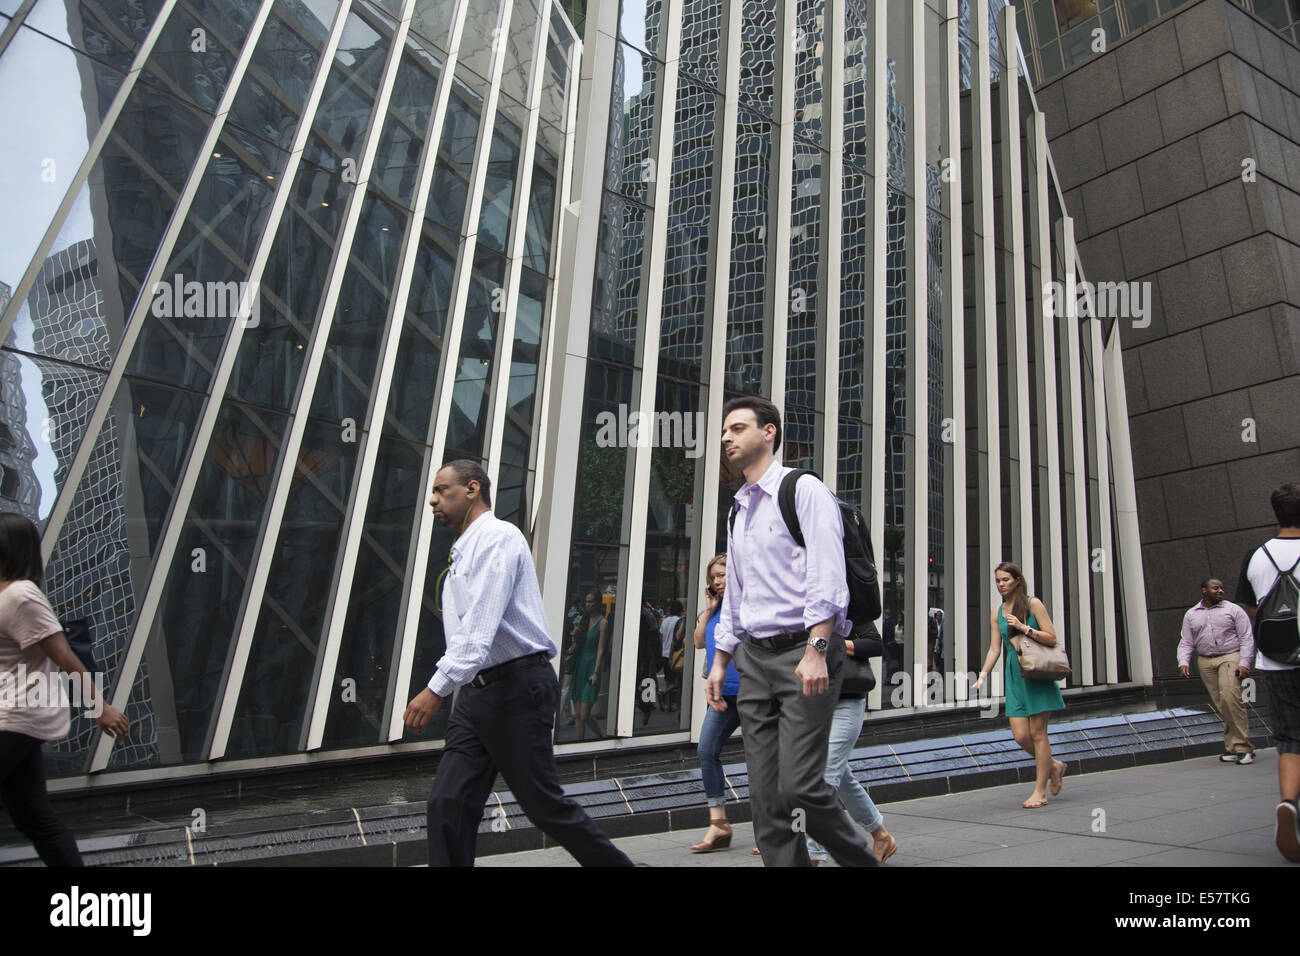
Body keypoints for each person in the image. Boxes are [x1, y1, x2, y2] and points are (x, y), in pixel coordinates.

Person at [404, 460, 633, 867]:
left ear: (473, 489)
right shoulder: (464, 549)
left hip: (517, 687)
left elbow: (479, 628)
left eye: (443, 490)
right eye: (433, 493)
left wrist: (435, 689)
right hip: (477, 693)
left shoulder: (498, 537)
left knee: (543, 806)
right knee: (447, 802)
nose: (433, 500)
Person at [706, 395, 881, 867]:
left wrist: (818, 649)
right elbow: (737, 592)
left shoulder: (803, 490)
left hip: (804, 653)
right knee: (765, 799)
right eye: (724, 430)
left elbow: (829, 577)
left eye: (738, 428)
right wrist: (722, 659)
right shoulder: (737, 507)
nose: (726, 437)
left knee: (801, 788)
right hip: (754, 659)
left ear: (769, 433)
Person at [0, 512, 128, 866]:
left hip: (18, 715)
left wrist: (99, 707)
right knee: (32, 816)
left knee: (34, 817)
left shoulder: (21, 596)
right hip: (10, 714)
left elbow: (64, 656)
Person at [1234, 482, 1300, 863]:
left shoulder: (1256, 556)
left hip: (1276, 663)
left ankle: (1289, 803)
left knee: (1290, 738)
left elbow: (1253, 611)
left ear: (1275, 514)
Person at [973, 561, 1067, 809]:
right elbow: (995, 648)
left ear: (1017, 580)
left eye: (1005, 580)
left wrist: (1024, 628)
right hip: (1014, 674)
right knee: (1020, 735)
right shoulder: (997, 612)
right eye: (998, 581)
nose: (1001, 585)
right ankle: (1054, 766)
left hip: (1036, 671)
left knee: (1038, 734)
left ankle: (1040, 791)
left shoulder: (1033, 604)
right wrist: (983, 675)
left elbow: (1052, 637)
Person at [805, 622, 899, 864]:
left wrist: (828, 644)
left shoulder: (849, 605)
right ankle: (880, 833)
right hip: (814, 703)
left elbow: (873, 644)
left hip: (847, 702)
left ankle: (812, 857)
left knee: (821, 781)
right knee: (842, 777)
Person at [691, 554, 740, 852]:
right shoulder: (714, 609)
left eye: (722, 575)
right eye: (713, 577)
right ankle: (718, 823)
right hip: (722, 696)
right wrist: (708, 611)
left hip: (752, 691)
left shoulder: (747, 604)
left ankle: (773, 828)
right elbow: (698, 642)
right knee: (706, 750)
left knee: (763, 759)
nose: (717, 581)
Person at [1176, 579, 1256, 764]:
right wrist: (1183, 662)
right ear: (1204, 591)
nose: (1220, 591)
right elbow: (1186, 641)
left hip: (1230, 657)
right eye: (1215, 588)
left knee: (1231, 699)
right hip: (1205, 661)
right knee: (1222, 704)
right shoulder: (1191, 614)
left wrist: (1244, 663)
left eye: (1221, 588)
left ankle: (1244, 748)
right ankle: (1232, 748)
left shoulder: (1233, 610)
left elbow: (1246, 638)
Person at [567, 593, 608, 742]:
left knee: (584, 714)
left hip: (591, 665)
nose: (588, 604)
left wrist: (596, 672)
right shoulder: (583, 620)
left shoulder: (603, 623)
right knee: (578, 715)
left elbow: (601, 650)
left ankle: (601, 737)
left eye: (591, 602)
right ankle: (580, 743)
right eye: (587, 602)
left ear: (598, 603)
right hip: (580, 664)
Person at [659, 600, 683, 712]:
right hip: (674, 654)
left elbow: (661, 637)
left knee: (669, 679)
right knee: (677, 681)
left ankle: (668, 704)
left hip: (664, 653)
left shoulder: (664, 621)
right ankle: (666, 694)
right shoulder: (679, 621)